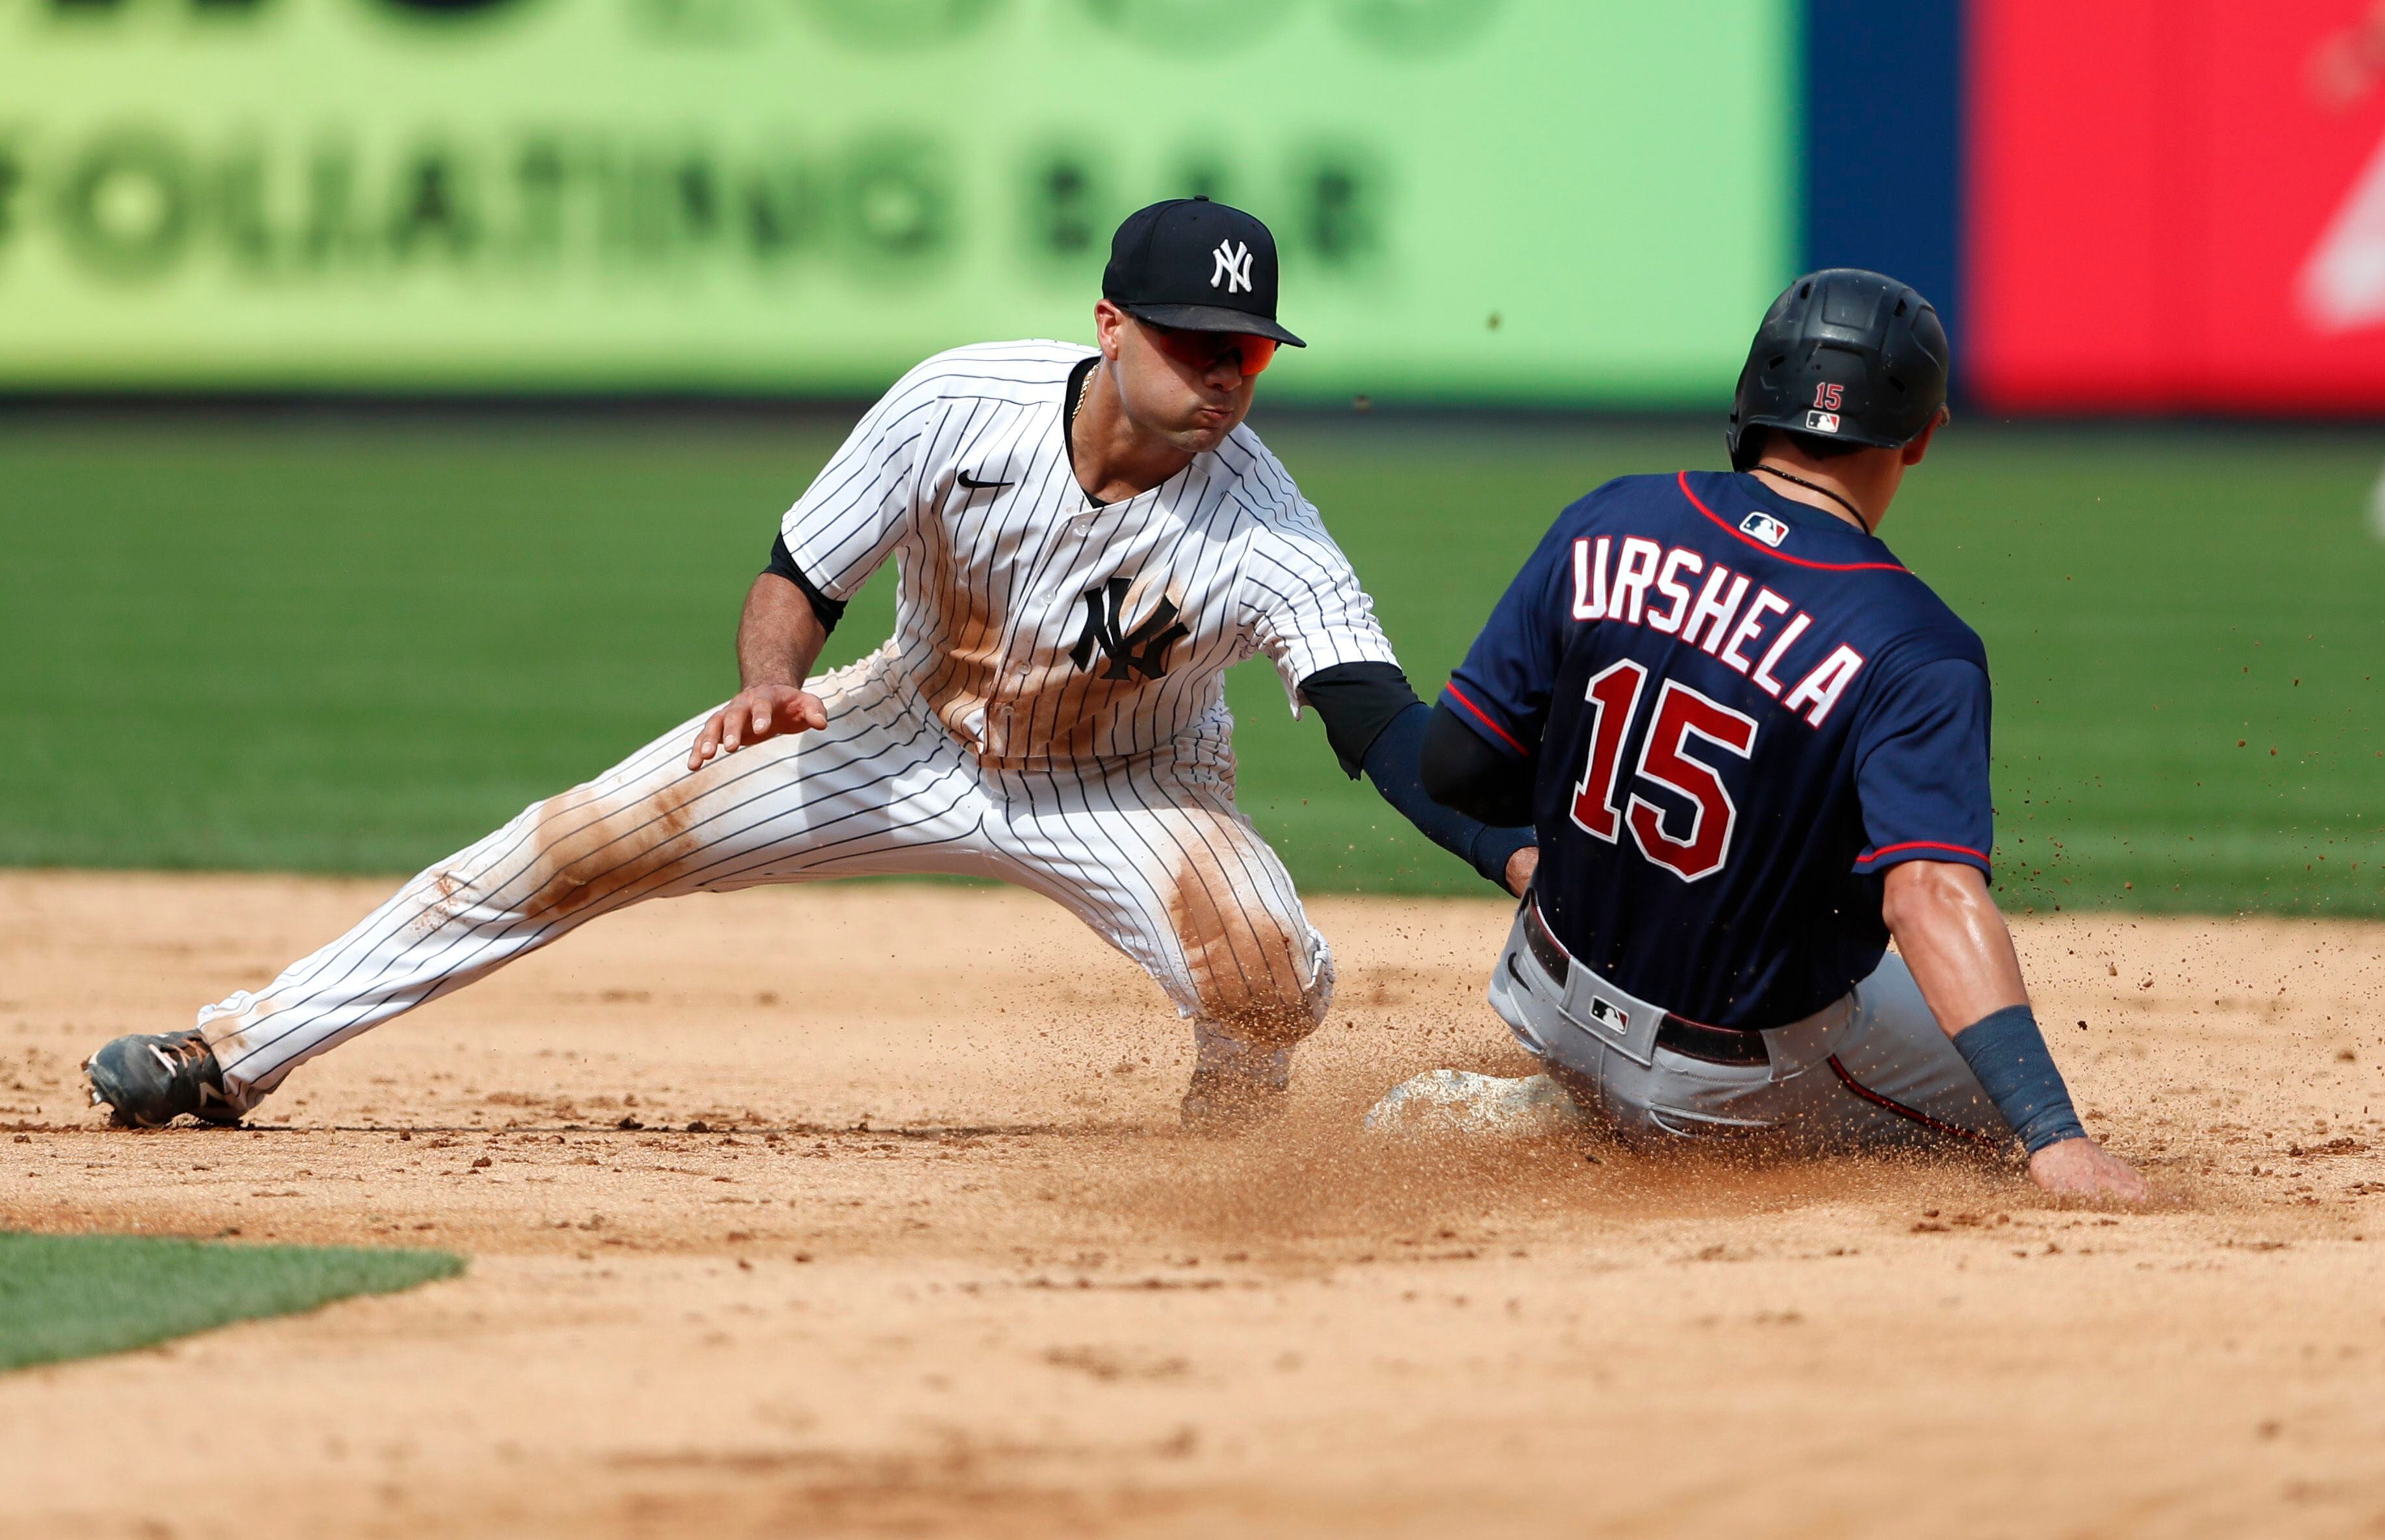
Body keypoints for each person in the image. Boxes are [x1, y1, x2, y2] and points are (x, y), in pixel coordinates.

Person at [84, 198, 1533, 1131]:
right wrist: (771, 677)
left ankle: (1228, 1144)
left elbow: (1373, 722)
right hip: (895, 730)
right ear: (1108, 326)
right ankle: (233, 1049)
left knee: (1272, 977)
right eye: (1191, 339)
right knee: (564, 847)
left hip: (1128, 786)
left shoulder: (1266, 531)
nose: (1221, 373)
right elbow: (798, 577)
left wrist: (1503, 847)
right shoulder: (956, 402)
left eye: (1249, 352)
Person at [1402, 268, 2146, 1200]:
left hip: (1538, 992)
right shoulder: (1916, 645)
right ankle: (1645, 1128)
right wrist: (2052, 1133)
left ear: (1753, 397)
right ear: (1920, 436)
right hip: (1721, 1084)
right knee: (1993, 1120)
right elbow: (1926, 897)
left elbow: (1455, 763)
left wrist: (1556, 844)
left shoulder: (1609, 517)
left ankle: (1571, 1101)